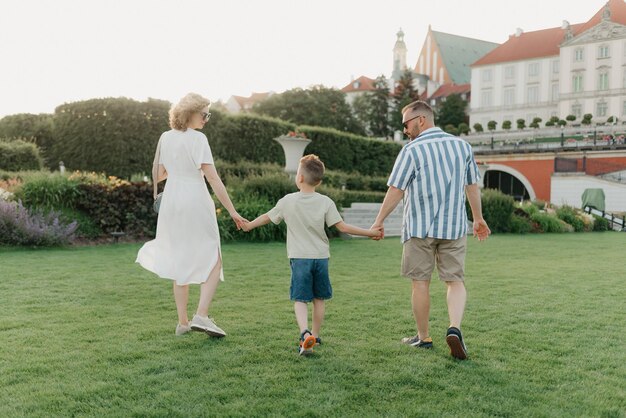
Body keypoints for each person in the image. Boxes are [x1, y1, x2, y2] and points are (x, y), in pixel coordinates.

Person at [371, 100, 490, 360]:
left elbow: (396, 189)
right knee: (455, 281)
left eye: (406, 124)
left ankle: (423, 337)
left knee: (420, 283)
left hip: (419, 228)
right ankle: (454, 328)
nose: (405, 130)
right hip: (454, 226)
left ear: (421, 119)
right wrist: (478, 219)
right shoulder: (463, 147)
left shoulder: (411, 150)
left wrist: (379, 220)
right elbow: (472, 186)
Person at [242, 154, 382, 355]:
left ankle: (304, 333)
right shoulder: (325, 202)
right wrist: (370, 233)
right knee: (319, 299)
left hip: (300, 258)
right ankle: (314, 336)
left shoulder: (288, 201)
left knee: (300, 299)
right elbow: (342, 226)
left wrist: (249, 226)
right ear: (319, 180)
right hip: (321, 258)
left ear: (299, 177)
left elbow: (268, 217)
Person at [136, 93, 247, 337]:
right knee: (214, 257)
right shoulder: (198, 139)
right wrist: (232, 211)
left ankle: (183, 322)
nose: (207, 119)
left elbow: (157, 175)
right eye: (204, 113)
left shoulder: (165, 137)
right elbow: (213, 177)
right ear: (190, 113)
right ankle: (202, 316)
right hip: (195, 198)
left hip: (173, 201)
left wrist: (177, 170)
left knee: (180, 259)